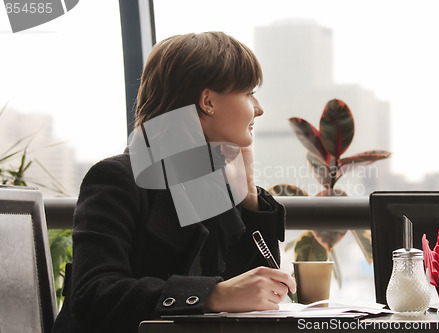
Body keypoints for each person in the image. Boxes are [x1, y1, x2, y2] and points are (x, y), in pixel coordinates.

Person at [51, 31, 296, 333]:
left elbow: (257, 292)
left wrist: (247, 193)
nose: (258, 108)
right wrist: (213, 294)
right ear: (208, 101)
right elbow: (94, 293)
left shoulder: (210, 182)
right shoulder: (117, 178)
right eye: (248, 93)